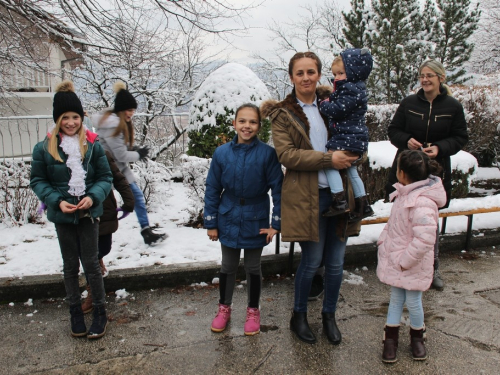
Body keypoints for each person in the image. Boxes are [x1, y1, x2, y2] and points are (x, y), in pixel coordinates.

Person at [261, 51, 361, 345]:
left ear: (319, 74)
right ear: (291, 77)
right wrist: (330, 159)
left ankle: (329, 316)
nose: (306, 78)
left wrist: (356, 152)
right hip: (307, 197)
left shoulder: (334, 105)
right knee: (312, 259)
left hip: (340, 195)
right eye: (299, 73)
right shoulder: (282, 113)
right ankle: (299, 315)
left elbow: (355, 135)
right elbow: (287, 155)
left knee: (336, 262)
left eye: (311, 72)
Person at [30, 80, 112, 339]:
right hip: (62, 216)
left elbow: (105, 178)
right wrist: (56, 201)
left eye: (75, 116)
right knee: (69, 266)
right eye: (65, 117)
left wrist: (92, 197)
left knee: (91, 264)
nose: (71, 122)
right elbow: (38, 181)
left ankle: (100, 312)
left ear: (81, 117)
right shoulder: (44, 148)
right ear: (58, 119)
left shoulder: (93, 145)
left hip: (88, 215)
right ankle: (75, 312)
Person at [386, 59, 468, 290]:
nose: (424, 79)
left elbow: (461, 137)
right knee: (402, 220)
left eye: (430, 75)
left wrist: (441, 148)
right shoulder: (409, 102)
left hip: (434, 172)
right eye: (422, 75)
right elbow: (393, 131)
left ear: (440, 78)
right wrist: (405, 141)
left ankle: (433, 268)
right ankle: (397, 265)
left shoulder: (453, 106)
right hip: (407, 171)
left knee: (428, 223)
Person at [204, 103, 283, 336]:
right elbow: (212, 189)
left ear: (259, 125)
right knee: (227, 266)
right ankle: (224, 309)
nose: (247, 126)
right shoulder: (221, 153)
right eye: (242, 121)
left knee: (252, 267)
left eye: (252, 122)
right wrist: (211, 223)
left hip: (256, 218)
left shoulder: (268, 154)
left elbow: (278, 190)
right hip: (227, 217)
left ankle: (253, 311)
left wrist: (275, 224)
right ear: (234, 123)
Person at [378, 150, 446, 362]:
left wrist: (405, 260)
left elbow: (425, 238)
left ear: (403, 173)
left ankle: (418, 337)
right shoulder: (404, 194)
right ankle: (390, 339)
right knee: (396, 298)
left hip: (411, 262)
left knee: (414, 301)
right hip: (398, 261)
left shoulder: (422, 201)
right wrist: (383, 240)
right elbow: (395, 224)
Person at [92, 81, 167, 245]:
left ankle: (146, 231)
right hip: (108, 172)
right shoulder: (113, 126)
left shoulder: (118, 124)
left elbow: (118, 150)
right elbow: (120, 154)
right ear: (120, 110)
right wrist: (138, 154)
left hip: (118, 170)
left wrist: (134, 149)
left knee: (137, 198)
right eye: (129, 110)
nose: (131, 113)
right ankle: (93, 236)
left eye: (133, 110)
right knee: (102, 205)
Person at [319, 48, 374, 221]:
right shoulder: (356, 88)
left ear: (353, 71)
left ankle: (339, 200)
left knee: (328, 161)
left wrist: (323, 104)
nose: (337, 78)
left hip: (347, 137)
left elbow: (338, 110)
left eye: (341, 73)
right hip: (354, 138)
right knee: (352, 170)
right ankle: (363, 205)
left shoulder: (350, 89)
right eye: (335, 74)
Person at [81, 150, 135, 314]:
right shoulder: (62, 153)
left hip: (103, 207)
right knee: (86, 253)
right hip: (78, 210)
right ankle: (93, 290)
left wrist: (129, 203)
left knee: (103, 248)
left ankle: (98, 260)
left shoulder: (100, 153)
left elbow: (118, 178)